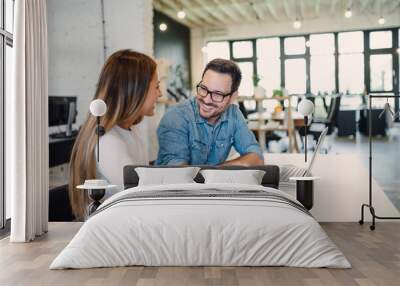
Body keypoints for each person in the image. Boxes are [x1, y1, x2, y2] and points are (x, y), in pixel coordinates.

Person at [69, 50, 161, 220]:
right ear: (134, 90)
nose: (160, 94)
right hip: (114, 232)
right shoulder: (107, 141)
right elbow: (142, 194)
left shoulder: (130, 131)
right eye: (156, 86)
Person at [156, 58, 263, 166]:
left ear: (233, 97)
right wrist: (217, 172)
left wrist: (217, 170)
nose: (206, 100)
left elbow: (256, 157)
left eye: (218, 94)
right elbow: (177, 172)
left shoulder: (233, 114)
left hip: (211, 182)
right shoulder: (176, 117)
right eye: (203, 88)